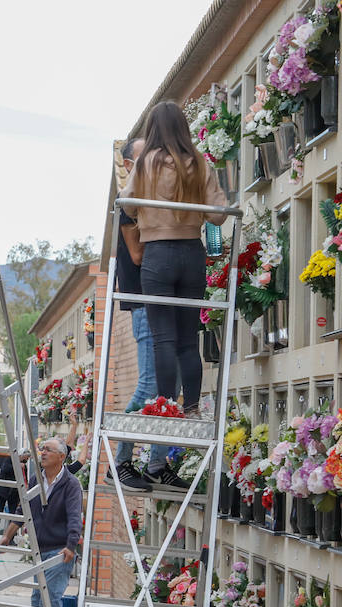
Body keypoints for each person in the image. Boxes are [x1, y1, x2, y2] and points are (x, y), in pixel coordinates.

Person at [120, 100, 227, 493]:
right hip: (192, 254)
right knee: (187, 339)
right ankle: (193, 406)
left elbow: (128, 204)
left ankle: (164, 406)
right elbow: (218, 214)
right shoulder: (198, 162)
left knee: (163, 337)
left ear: (153, 129)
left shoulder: (146, 162)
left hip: (159, 255)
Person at [0, 437, 83, 607]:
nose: (42, 453)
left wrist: (71, 546)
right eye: (42, 449)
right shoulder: (36, 480)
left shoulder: (71, 484)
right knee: (38, 595)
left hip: (59, 549)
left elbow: (75, 517)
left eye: (48, 450)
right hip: (40, 549)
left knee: (50, 595)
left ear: (62, 457)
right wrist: (8, 535)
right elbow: (22, 510)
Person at [108, 136, 156, 494]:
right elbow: (137, 255)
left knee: (164, 385)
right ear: (127, 165)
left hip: (161, 300)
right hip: (143, 300)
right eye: (142, 159)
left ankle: (156, 462)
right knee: (150, 382)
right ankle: (121, 460)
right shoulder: (130, 201)